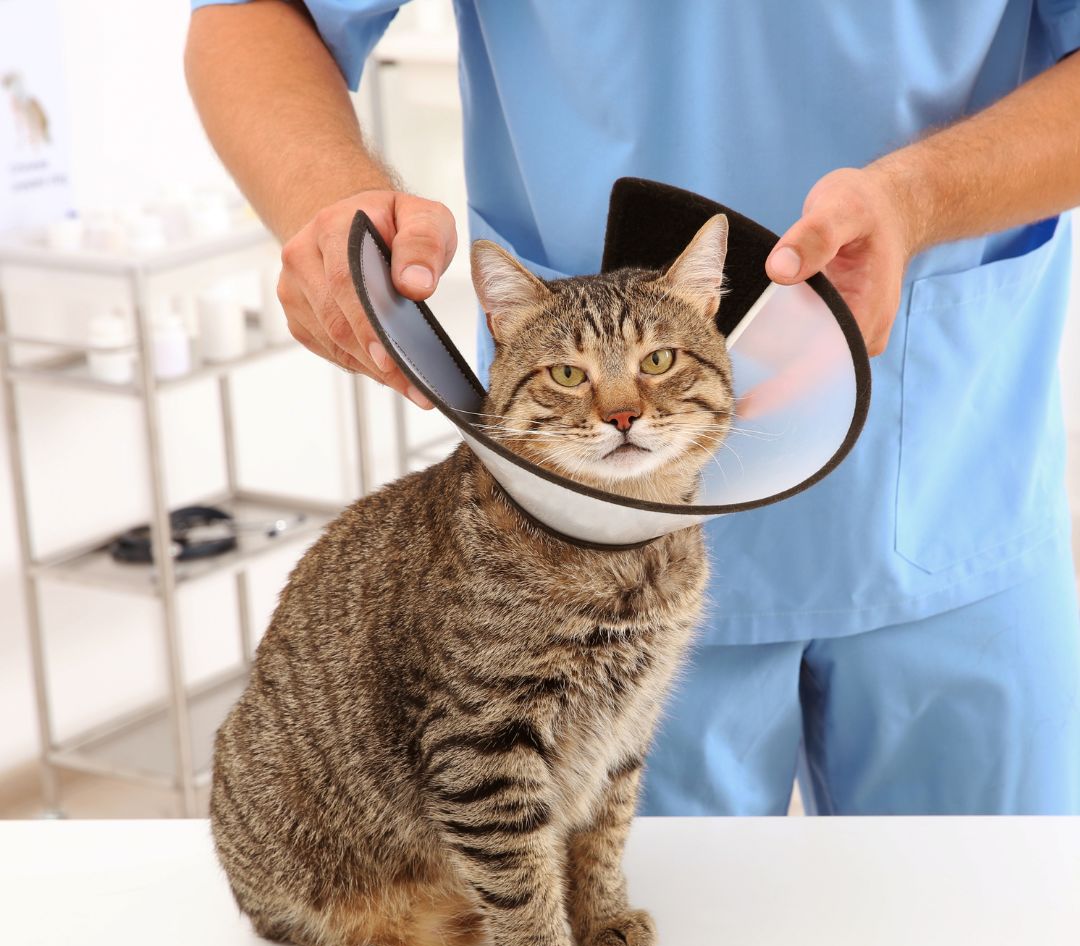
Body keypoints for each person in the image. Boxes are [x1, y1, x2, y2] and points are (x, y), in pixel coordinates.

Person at [186, 0, 1080, 815]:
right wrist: (327, 200)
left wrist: (923, 197)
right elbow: (252, 13)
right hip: (572, 558)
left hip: (957, 478)